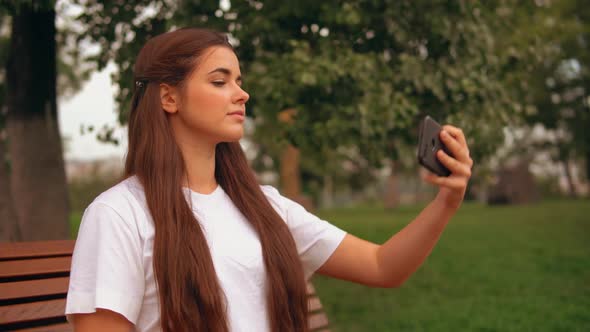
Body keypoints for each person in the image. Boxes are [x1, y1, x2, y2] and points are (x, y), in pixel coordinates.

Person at [65, 28, 473, 332]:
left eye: (239, 82)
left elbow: (383, 266)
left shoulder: (263, 205)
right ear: (169, 98)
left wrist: (446, 202)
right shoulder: (119, 214)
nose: (241, 94)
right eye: (220, 81)